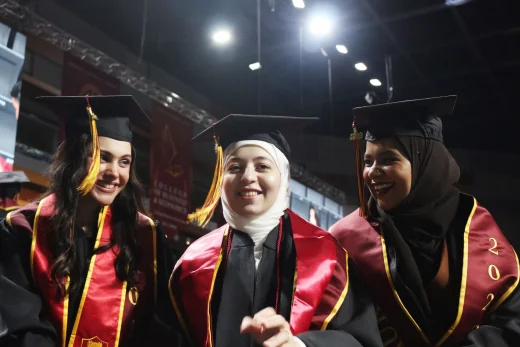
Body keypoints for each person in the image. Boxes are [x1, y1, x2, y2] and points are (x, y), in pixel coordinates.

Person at [168, 114, 383, 347]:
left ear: (283, 178)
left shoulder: (327, 255)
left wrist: (300, 345)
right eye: (235, 167)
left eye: (262, 166)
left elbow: (359, 339)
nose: (248, 177)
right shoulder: (193, 263)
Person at [330, 96, 519, 346]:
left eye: (388, 160)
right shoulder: (347, 237)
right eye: (368, 161)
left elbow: (511, 322)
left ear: (425, 164)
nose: (372, 172)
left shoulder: (472, 225)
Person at [0, 95, 175, 347]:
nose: (114, 173)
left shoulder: (146, 237)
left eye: (124, 162)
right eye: (103, 157)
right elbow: (19, 323)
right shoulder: (23, 230)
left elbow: (160, 327)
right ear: (74, 158)